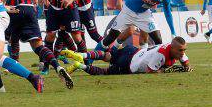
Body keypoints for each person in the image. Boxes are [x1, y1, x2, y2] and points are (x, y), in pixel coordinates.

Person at [36, 0, 88, 74]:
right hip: (54, 8)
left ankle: (87, 62)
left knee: (77, 36)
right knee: (50, 37)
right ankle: (46, 66)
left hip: (70, 9)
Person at [101, 0, 176, 52]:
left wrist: (173, 32)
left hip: (144, 14)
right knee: (110, 37)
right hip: (128, 11)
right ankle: (91, 59)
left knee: (158, 40)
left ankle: (156, 61)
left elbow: (168, 13)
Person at [64, 37, 192, 75]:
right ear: (174, 48)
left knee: (107, 56)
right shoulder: (161, 55)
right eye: (181, 50)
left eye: (184, 50)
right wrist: (165, 71)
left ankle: (81, 54)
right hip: (129, 64)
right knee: (105, 72)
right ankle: (79, 65)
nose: (182, 53)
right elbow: (151, 71)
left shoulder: (175, 48)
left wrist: (185, 67)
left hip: (133, 50)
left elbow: (186, 64)